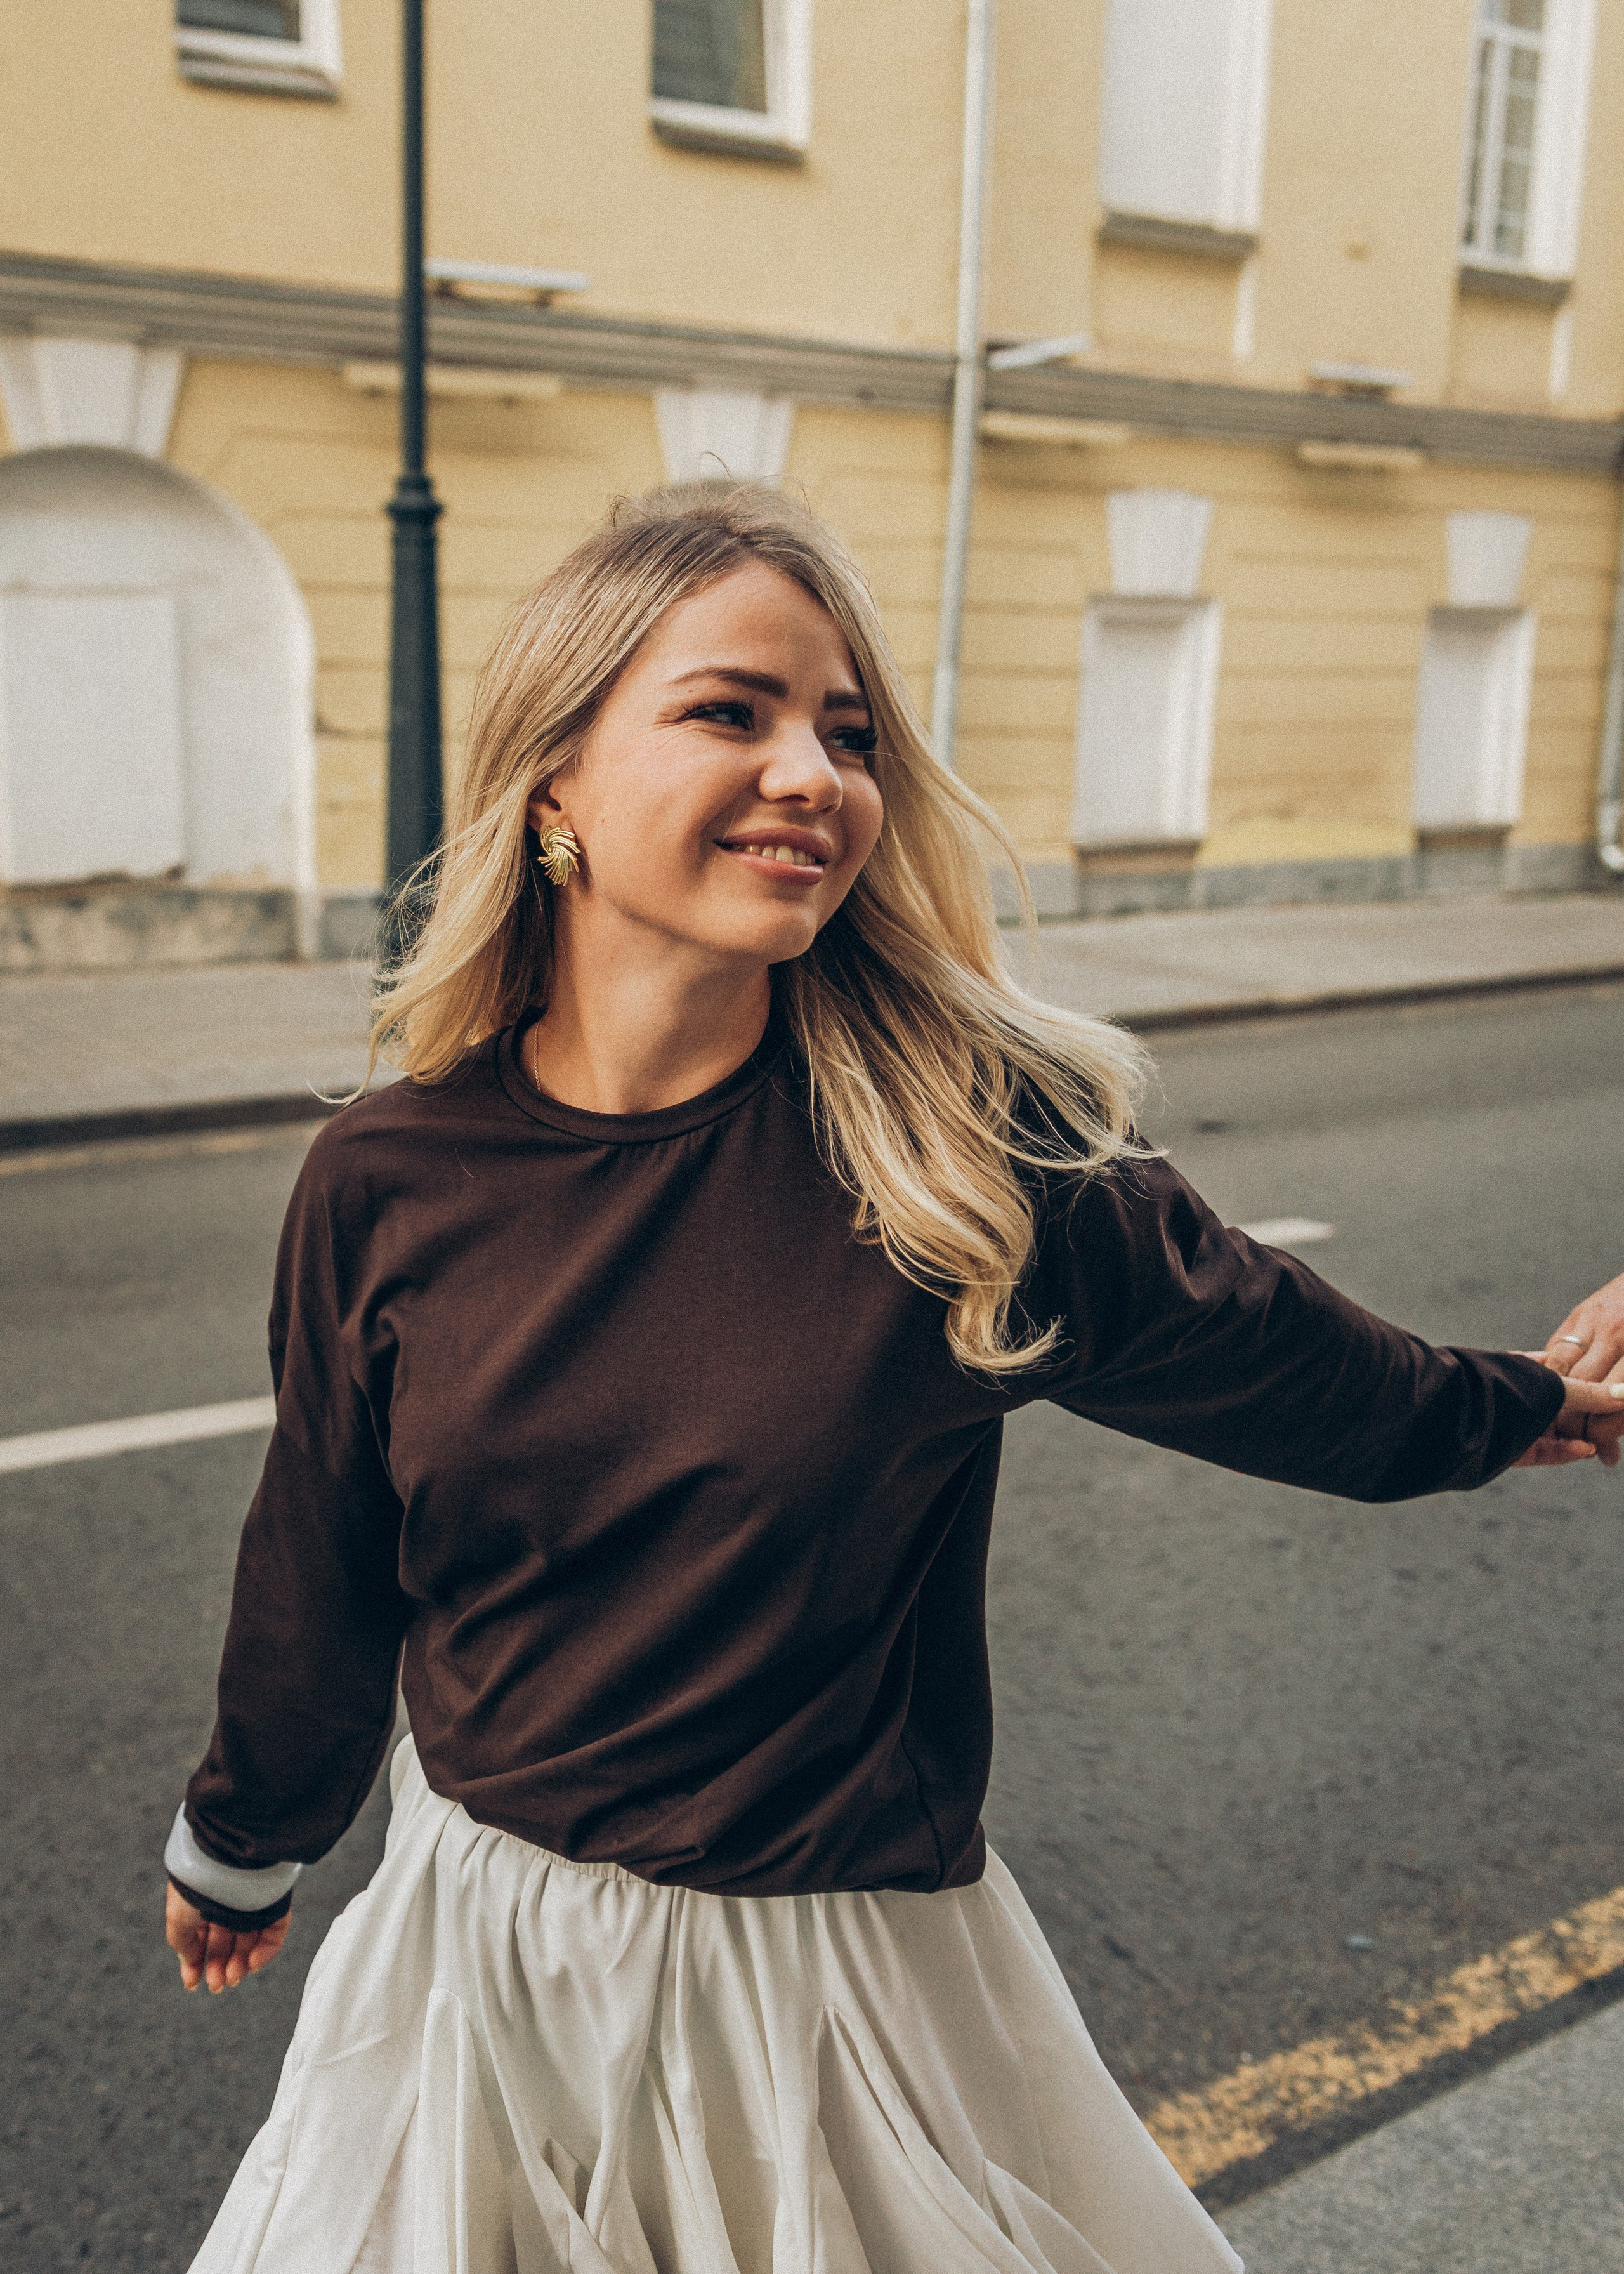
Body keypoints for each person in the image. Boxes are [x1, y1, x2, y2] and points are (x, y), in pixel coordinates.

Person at [163, 482, 1624, 2274]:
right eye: (733, 711)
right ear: (554, 780)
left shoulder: (952, 1158)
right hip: (481, 1951)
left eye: (847, 734)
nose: (814, 774)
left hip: (821, 1997)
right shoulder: (388, 1175)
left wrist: (1532, 1401)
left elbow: (1279, 1358)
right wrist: (244, 1836)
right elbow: (321, 1551)